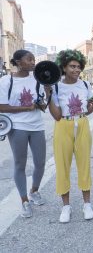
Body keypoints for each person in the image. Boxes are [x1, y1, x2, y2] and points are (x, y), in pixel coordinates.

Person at [46, 49, 93, 223]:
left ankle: (87, 204)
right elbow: (56, 116)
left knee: (84, 164)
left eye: (78, 66)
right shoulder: (56, 86)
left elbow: (88, 111)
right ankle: (66, 207)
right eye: (72, 66)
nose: (76, 70)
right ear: (64, 67)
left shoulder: (85, 85)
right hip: (63, 125)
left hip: (82, 123)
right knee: (63, 166)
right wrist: (48, 95)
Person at [0, 50, 47, 218]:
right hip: (17, 127)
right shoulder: (6, 81)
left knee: (40, 163)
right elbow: (2, 106)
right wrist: (26, 107)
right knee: (20, 164)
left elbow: (43, 107)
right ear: (18, 62)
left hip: (37, 126)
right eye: (29, 59)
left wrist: (47, 93)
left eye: (34, 59)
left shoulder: (38, 80)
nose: (33, 62)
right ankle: (24, 201)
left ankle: (34, 191)